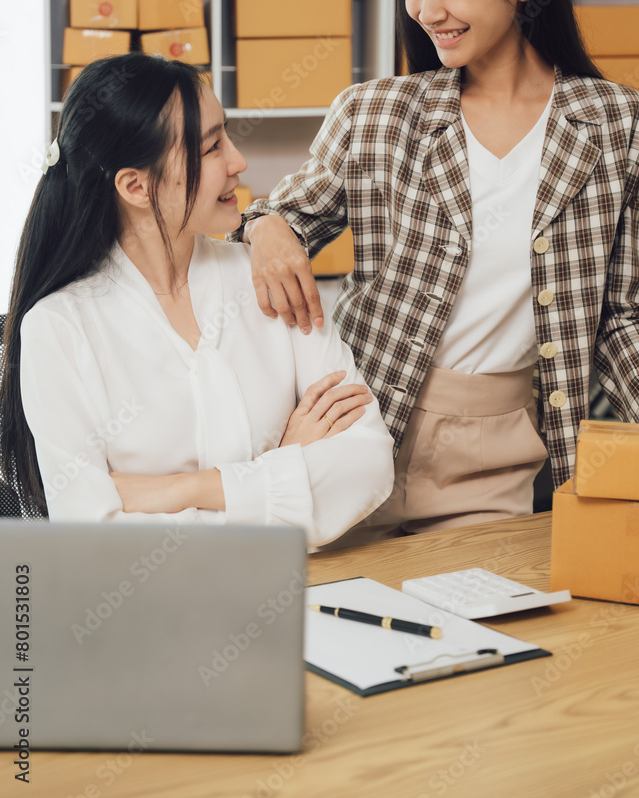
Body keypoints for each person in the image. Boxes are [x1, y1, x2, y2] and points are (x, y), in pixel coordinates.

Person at [232, 0, 639, 542]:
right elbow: (276, 222)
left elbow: (625, 321)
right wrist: (265, 227)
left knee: (483, 610)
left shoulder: (622, 128)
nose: (427, 10)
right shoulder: (374, 113)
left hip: (501, 454)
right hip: (353, 428)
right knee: (332, 608)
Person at [0, 53, 394, 546]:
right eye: (211, 148)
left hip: (313, 585)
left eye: (226, 135)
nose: (238, 162)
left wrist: (180, 490)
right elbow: (95, 538)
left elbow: (368, 463)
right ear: (136, 186)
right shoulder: (59, 327)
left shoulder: (268, 279)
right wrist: (282, 469)